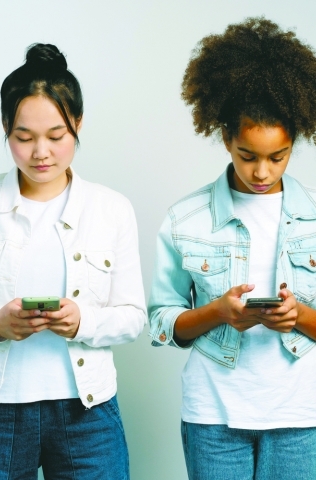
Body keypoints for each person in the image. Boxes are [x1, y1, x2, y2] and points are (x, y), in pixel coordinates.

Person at [0, 43, 146, 479]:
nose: (40, 152)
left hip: (88, 412)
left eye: (56, 136)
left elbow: (134, 315)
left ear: (77, 124)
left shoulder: (111, 208)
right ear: (6, 128)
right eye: (23, 138)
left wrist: (83, 322)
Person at [148, 17, 316, 480]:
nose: (262, 172)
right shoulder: (186, 219)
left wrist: (298, 315)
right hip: (213, 417)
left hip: (300, 418)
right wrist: (220, 313)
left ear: (295, 142)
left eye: (277, 157)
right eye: (247, 156)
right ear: (225, 138)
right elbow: (162, 322)